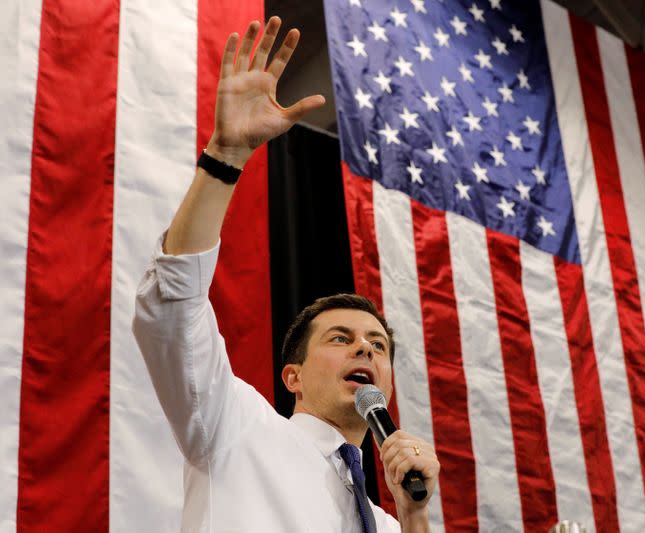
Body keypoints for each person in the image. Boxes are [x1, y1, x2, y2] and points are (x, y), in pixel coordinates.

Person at [131, 16, 440, 532]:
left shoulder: (387, 524)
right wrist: (225, 157)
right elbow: (174, 304)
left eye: (377, 346)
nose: (366, 350)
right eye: (342, 339)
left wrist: (415, 517)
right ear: (291, 377)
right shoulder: (235, 425)